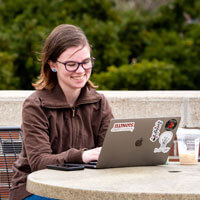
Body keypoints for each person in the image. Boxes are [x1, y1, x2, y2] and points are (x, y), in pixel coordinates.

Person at [9, 24, 113, 200]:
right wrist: (83, 156)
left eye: (86, 62)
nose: (81, 71)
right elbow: (39, 163)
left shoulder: (99, 102)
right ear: (53, 65)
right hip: (36, 190)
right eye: (71, 64)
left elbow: (110, 152)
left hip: (84, 188)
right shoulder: (35, 105)